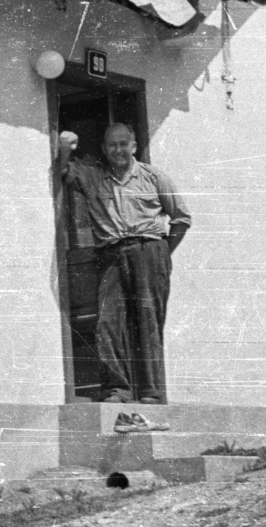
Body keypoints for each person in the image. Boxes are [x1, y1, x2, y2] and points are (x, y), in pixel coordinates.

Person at [56, 123, 190, 405]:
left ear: (133, 146)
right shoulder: (93, 177)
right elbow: (64, 173)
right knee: (109, 322)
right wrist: (65, 149)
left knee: (148, 321)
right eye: (112, 145)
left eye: (123, 144)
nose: (118, 150)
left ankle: (151, 392)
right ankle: (117, 390)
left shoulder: (153, 177)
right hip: (111, 253)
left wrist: (163, 252)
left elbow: (181, 218)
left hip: (149, 250)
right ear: (104, 149)